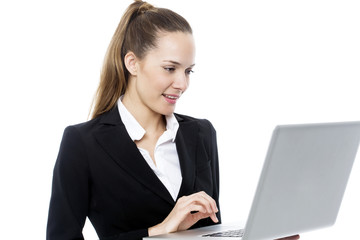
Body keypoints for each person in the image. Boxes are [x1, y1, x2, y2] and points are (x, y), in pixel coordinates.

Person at [46, 1, 299, 240]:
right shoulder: (83, 144)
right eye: (170, 68)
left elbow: (210, 229)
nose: (183, 84)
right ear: (132, 63)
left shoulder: (201, 133)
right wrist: (159, 231)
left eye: (188, 71)